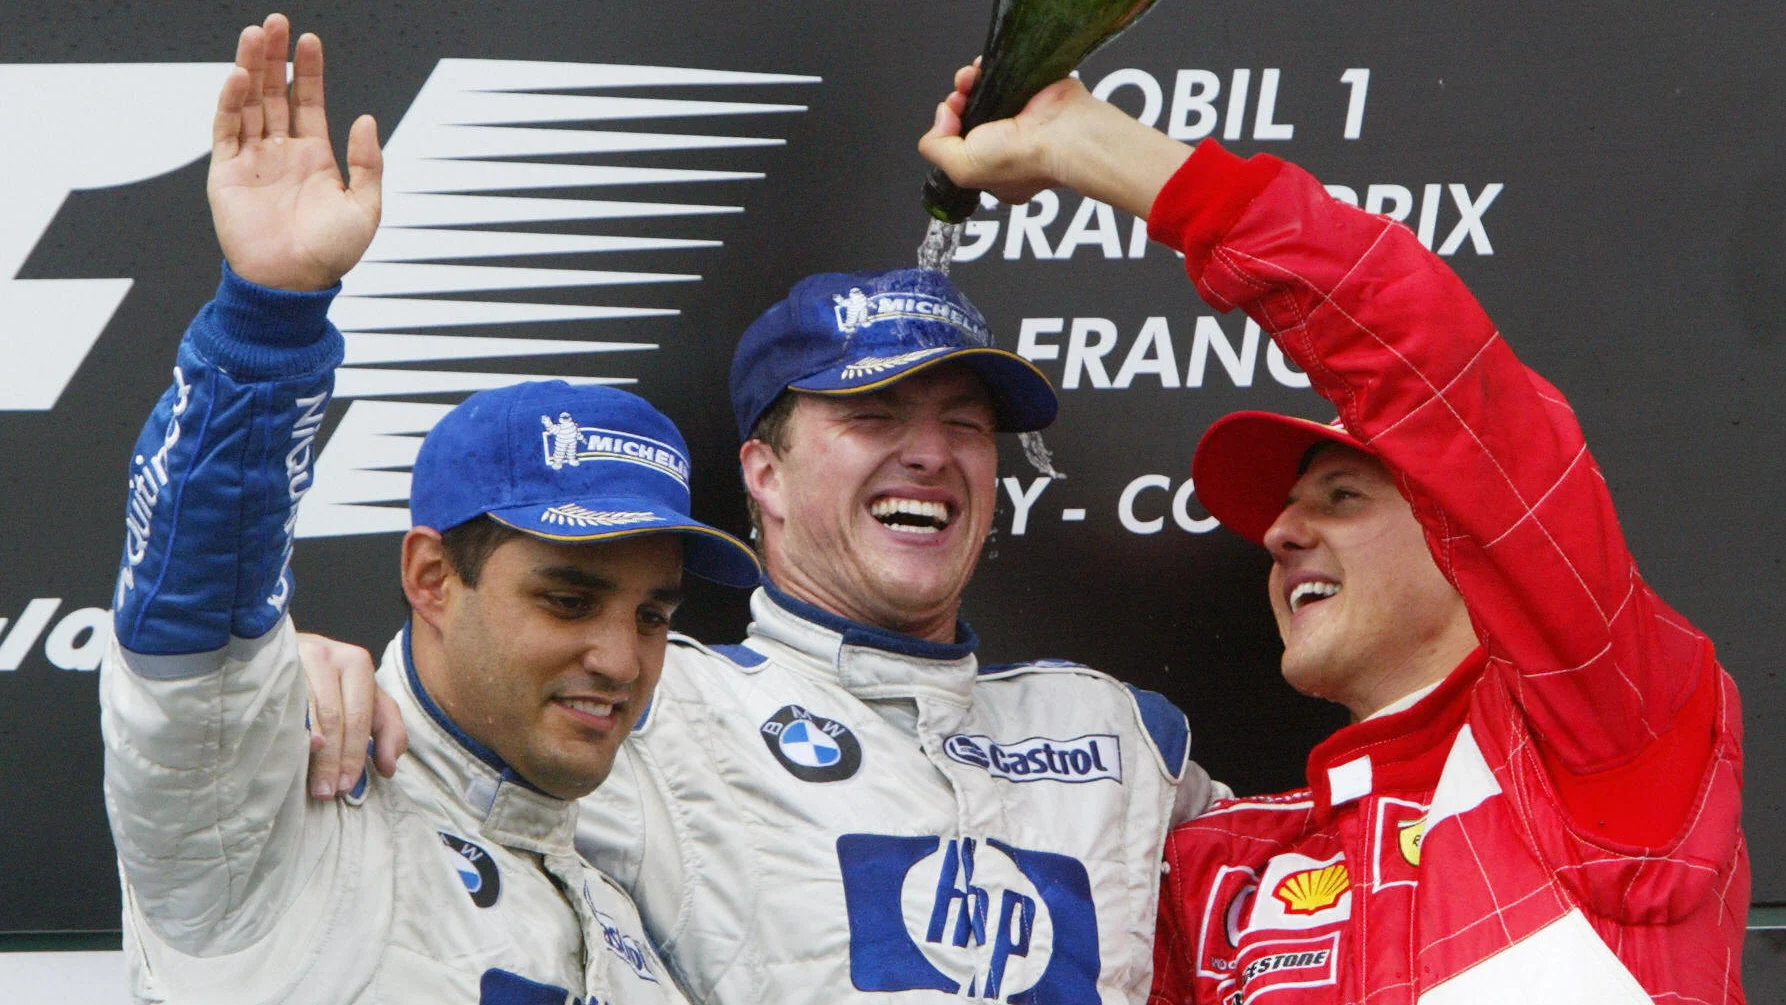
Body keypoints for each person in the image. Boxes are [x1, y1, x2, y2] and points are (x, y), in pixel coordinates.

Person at [919, 63, 1748, 1002]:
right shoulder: (1220, 870)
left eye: (1343, 497)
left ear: (1458, 524)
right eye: (1281, 513)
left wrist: (1082, 143)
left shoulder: (1607, 739)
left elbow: (1421, 355)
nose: (1280, 534)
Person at [100, 15, 761, 1004]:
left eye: (652, 614)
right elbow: (195, 626)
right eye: (569, 599)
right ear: (429, 578)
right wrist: (268, 318)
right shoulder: (292, 815)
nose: (623, 660)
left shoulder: (623, 927)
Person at [572, 269, 1228, 999]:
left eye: (965, 424)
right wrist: (413, 717)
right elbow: (461, 799)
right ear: (767, 474)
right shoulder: (660, 712)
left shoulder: (1121, 735)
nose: (930, 453)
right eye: (875, 414)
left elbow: (1334, 882)